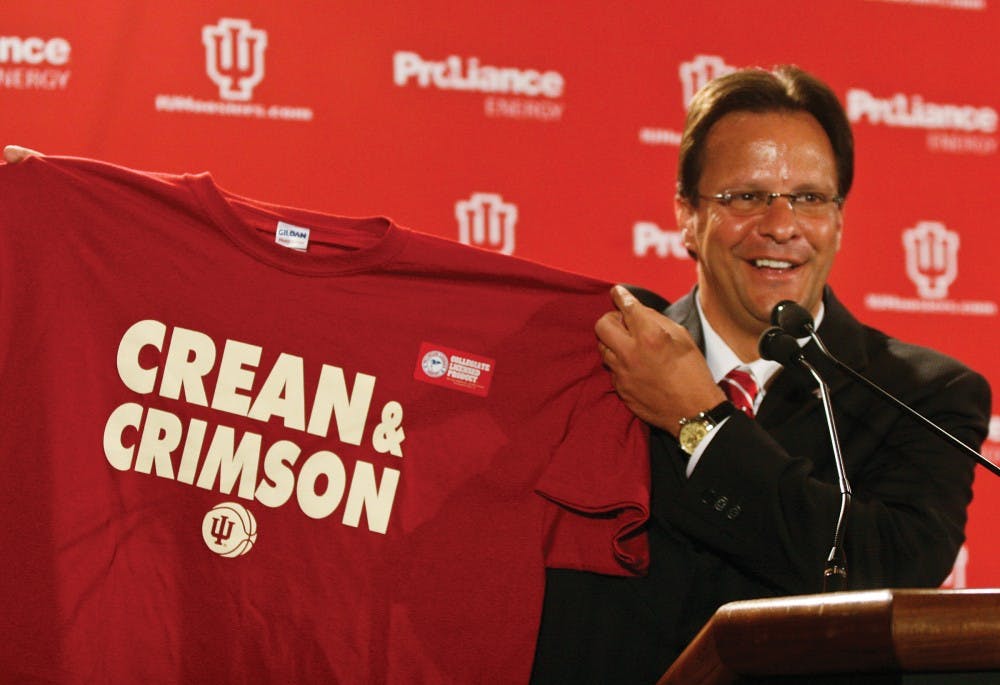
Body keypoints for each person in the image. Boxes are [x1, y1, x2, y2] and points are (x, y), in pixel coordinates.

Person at [530, 65, 991, 683]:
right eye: (745, 197)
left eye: (809, 197)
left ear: (839, 217)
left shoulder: (925, 394)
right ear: (685, 215)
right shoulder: (599, 362)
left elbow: (887, 577)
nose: (781, 225)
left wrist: (703, 425)